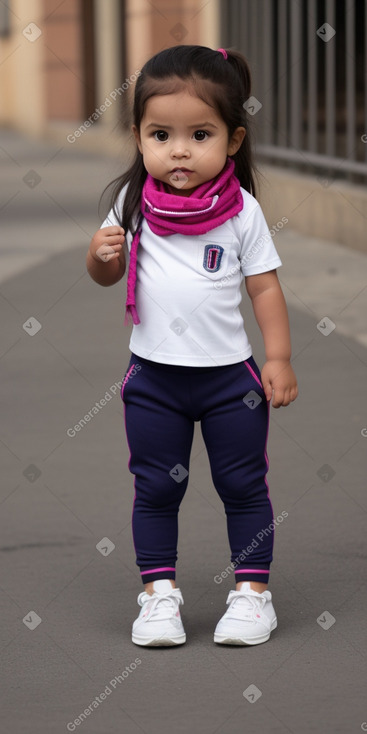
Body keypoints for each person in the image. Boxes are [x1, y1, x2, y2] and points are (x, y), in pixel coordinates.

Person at [86, 45, 298, 648]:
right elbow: (106, 276)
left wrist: (277, 358)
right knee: (155, 487)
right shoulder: (132, 205)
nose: (179, 149)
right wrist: (102, 258)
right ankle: (158, 595)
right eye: (161, 134)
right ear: (138, 137)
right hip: (153, 379)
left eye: (199, 134)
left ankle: (253, 594)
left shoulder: (241, 214)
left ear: (232, 141)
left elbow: (264, 289)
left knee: (243, 484)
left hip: (231, 382)